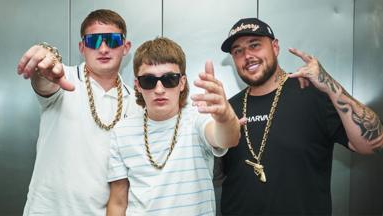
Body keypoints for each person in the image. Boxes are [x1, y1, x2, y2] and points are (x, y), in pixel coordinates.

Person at [217, 17, 383, 215]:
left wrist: (328, 84)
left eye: (255, 45)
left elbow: (372, 144)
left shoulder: (313, 95)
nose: (247, 56)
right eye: (238, 51)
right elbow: (218, 175)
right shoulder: (228, 109)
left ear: (275, 47)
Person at [16, 9, 141, 215]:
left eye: (112, 40)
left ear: (125, 47)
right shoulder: (63, 78)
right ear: (82, 47)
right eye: (93, 41)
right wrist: (44, 69)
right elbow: (45, 83)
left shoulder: (136, 102)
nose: (103, 48)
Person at [105, 37, 240, 216]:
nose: (159, 89)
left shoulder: (197, 120)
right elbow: (118, 201)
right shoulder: (122, 132)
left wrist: (225, 116)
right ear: (137, 85)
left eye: (169, 79)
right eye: (149, 81)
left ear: (182, 83)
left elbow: (227, 139)